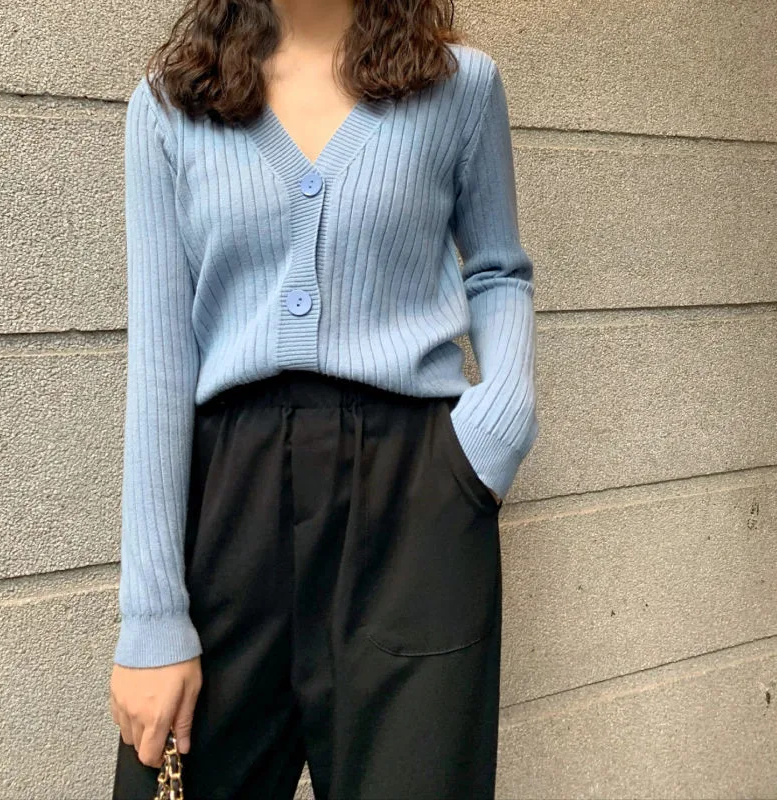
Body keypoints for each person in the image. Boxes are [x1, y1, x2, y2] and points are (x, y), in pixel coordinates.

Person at [109, 0, 539, 797]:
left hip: (416, 502)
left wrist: (497, 427)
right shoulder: (170, 106)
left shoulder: (460, 87)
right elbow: (161, 361)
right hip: (228, 502)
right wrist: (151, 616)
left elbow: (497, 269)